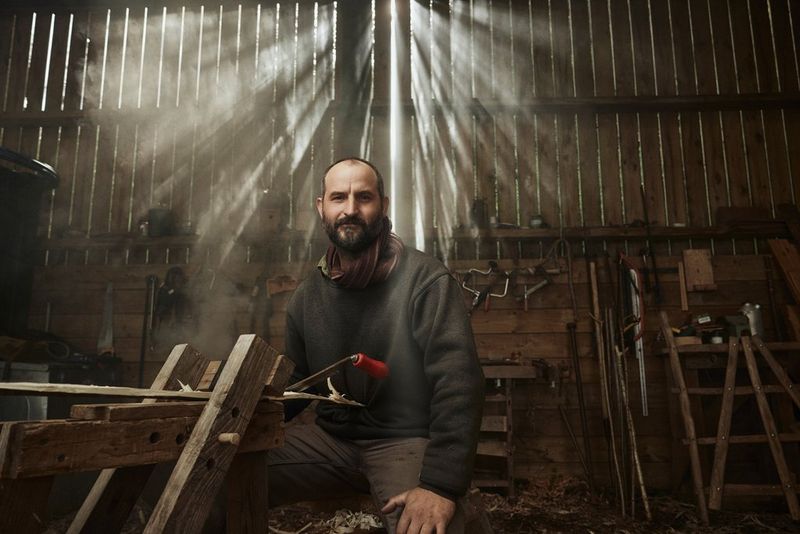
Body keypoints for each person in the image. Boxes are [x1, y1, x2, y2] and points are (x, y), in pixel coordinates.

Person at [269, 157, 485, 534]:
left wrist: (441, 486)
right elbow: (298, 384)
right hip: (329, 443)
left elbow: (459, 383)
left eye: (363, 197)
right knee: (214, 468)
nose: (350, 209)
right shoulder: (308, 295)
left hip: (404, 442)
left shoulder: (426, 280)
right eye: (339, 197)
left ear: (383, 205)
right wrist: (241, 410)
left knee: (430, 527)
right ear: (322, 207)